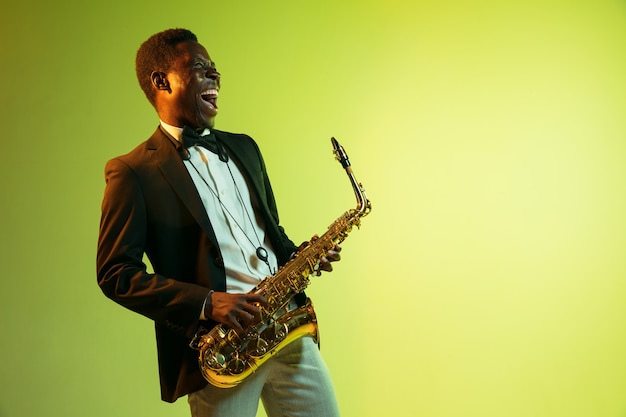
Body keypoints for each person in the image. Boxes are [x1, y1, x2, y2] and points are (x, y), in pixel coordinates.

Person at [96, 28, 342, 417]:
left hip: (289, 330)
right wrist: (208, 304)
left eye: (215, 69)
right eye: (199, 68)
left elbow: (270, 234)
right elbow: (116, 274)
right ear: (162, 81)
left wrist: (302, 256)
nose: (215, 77)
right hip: (224, 350)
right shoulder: (132, 172)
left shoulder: (245, 146)